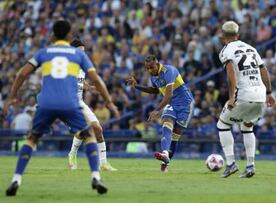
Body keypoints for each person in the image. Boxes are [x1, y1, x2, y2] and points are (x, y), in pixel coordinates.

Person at [2, 20, 119, 196]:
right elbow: (97, 79)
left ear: (53, 36)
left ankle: (16, 179)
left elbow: (22, 74)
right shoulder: (78, 56)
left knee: (32, 138)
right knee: (89, 135)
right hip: (70, 102)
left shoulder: (44, 52)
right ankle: (96, 176)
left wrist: (10, 98)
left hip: (47, 102)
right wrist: (109, 102)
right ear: (69, 35)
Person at [216, 21, 276, 178]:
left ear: (222, 36)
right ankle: (250, 165)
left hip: (243, 94)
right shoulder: (251, 49)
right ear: (238, 35)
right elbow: (264, 70)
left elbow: (231, 73)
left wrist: (231, 97)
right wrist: (269, 93)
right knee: (247, 127)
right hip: (260, 96)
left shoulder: (225, 51)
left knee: (223, 124)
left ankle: (230, 163)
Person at [126, 55, 194, 172]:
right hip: (172, 104)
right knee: (167, 123)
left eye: (151, 67)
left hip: (185, 103)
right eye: (147, 68)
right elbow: (154, 90)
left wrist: (157, 110)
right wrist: (136, 86)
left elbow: (168, 95)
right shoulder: (154, 77)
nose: (149, 70)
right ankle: (165, 154)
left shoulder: (169, 71)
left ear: (157, 64)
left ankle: (165, 163)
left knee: (175, 136)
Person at [67, 39, 117, 171]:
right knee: (89, 129)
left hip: (79, 102)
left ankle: (103, 163)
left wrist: (88, 87)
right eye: (80, 51)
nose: (83, 54)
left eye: (83, 51)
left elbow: (80, 82)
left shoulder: (82, 66)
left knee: (98, 129)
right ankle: (73, 155)